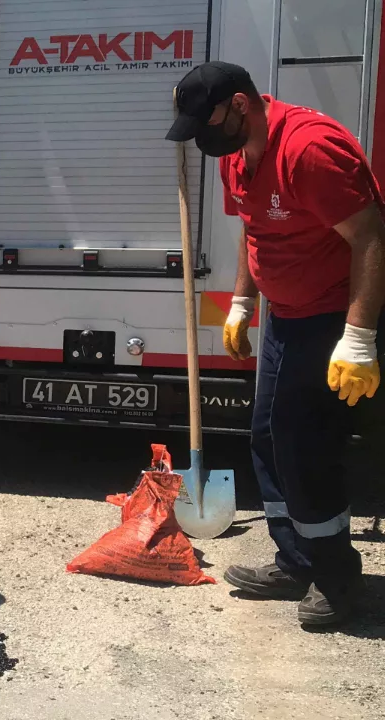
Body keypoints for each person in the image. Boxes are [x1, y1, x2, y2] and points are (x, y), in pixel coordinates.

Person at [166, 61, 385, 625]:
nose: (203, 139)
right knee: (266, 435)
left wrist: (358, 337)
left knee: (306, 446)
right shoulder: (236, 155)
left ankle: (337, 579)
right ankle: (297, 559)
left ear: (240, 105)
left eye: (207, 121)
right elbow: (253, 227)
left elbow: (370, 236)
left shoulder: (311, 150)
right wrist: (243, 301)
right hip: (283, 317)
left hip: (332, 318)